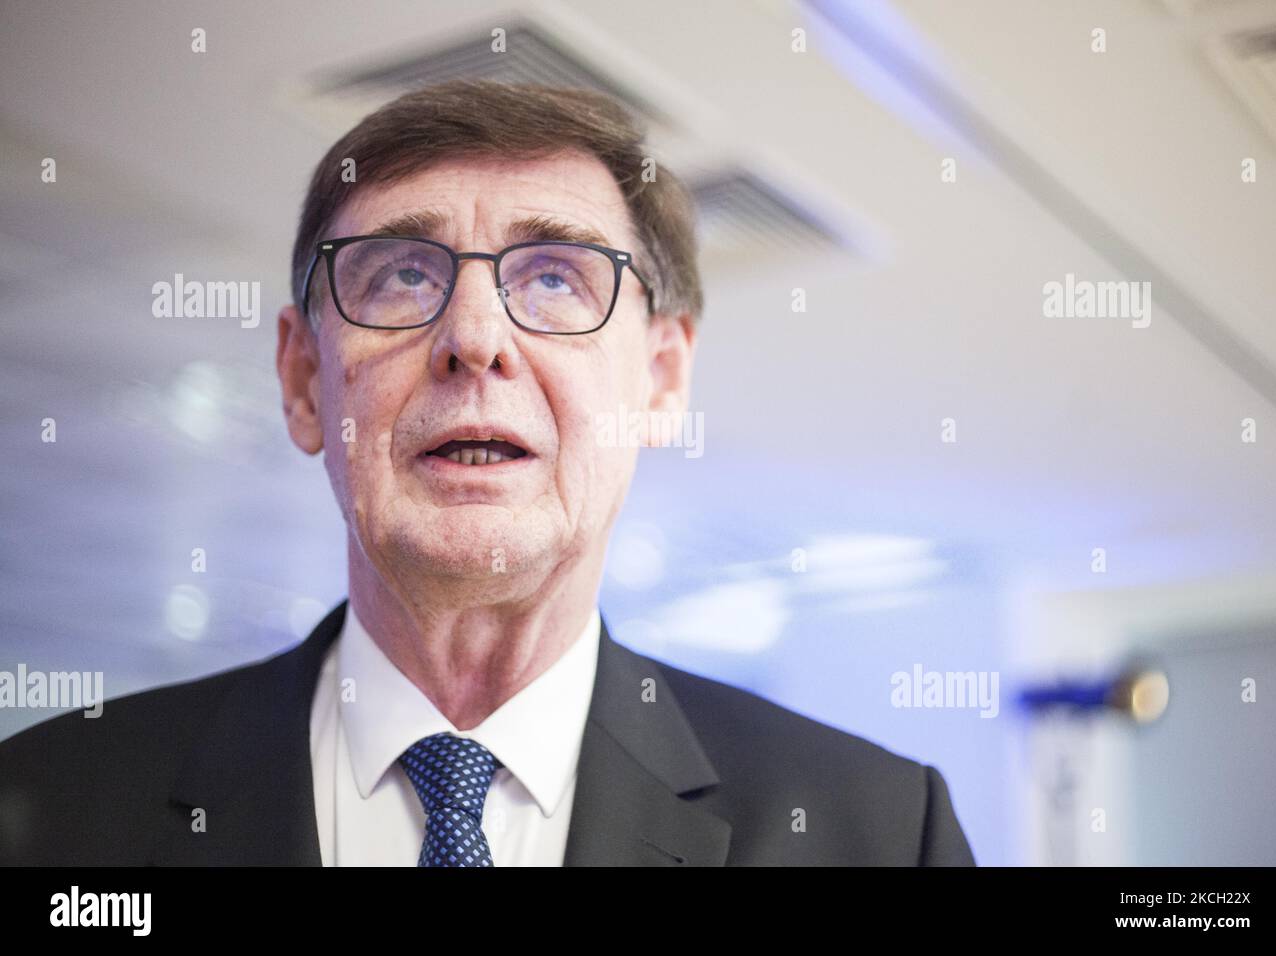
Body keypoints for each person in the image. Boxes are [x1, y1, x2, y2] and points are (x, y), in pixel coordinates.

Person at [0, 79, 975, 866]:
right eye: (401, 275)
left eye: (555, 278)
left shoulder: (879, 831)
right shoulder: (46, 811)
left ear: (662, 378)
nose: (473, 337)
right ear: (303, 380)